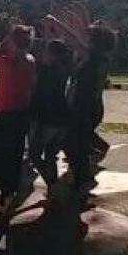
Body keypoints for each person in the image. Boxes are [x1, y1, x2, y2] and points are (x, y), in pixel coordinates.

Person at [0, 25, 37, 215]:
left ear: (13, 42)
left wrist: (5, 41)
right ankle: (8, 191)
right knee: (14, 154)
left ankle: (7, 191)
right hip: (21, 112)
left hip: (4, 114)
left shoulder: (5, 63)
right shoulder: (30, 60)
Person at [67, 22, 117, 194]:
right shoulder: (99, 57)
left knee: (74, 143)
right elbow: (79, 39)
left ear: (95, 41)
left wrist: (58, 24)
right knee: (77, 143)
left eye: (89, 37)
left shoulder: (94, 59)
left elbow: (75, 41)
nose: (85, 39)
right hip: (89, 105)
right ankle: (83, 178)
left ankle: (83, 179)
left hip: (86, 106)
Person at [29, 36, 74, 191]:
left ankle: (52, 183)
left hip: (49, 119)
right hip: (63, 117)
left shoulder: (46, 71)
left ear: (52, 54)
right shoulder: (64, 69)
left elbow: (40, 94)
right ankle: (53, 185)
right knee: (50, 154)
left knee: (35, 154)